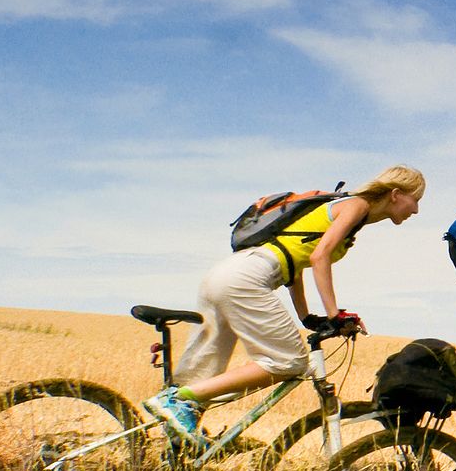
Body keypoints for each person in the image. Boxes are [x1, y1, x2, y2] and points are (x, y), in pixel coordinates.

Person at [145, 166, 427, 439]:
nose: (416, 210)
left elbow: (296, 265)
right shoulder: (356, 207)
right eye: (415, 199)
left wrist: (307, 317)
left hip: (227, 274)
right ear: (395, 193)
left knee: (203, 370)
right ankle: (179, 400)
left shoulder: (351, 212)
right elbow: (320, 258)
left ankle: (176, 444)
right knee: (288, 362)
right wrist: (335, 314)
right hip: (246, 278)